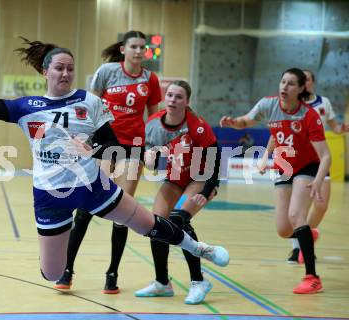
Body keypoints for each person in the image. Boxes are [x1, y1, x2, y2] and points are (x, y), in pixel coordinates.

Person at [0, 38, 227, 287]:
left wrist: (92, 149)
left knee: (149, 224)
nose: (65, 74)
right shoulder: (25, 107)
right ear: (45, 72)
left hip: (94, 186)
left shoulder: (89, 101)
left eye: (70, 69)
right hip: (50, 195)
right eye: (59, 68)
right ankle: (57, 264)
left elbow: (113, 146)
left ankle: (199, 248)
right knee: (52, 272)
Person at [55, 30, 162, 294]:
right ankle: (66, 269)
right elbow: (88, 106)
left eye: (142, 47)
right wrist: (84, 139)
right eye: (134, 47)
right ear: (124, 50)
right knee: (87, 205)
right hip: (104, 143)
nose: (139, 51)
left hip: (133, 148)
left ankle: (112, 273)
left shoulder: (151, 79)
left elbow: (154, 117)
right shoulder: (106, 71)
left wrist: (153, 148)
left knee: (123, 212)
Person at [220, 68, 331, 294]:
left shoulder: (309, 115)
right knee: (283, 229)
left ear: (301, 89)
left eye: (291, 84)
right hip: (285, 166)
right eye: (282, 82)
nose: (284, 87)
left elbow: (326, 155)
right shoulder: (268, 105)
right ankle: (306, 233)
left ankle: (312, 277)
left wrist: (318, 180)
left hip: (307, 166)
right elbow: (246, 121)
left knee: (295, 215)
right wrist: (233, 123)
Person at [134, 80, 227, 305]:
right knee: (154, 225)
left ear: (186, 102)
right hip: (175, 178)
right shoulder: (154, 123)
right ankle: (162, 283)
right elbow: (147, 154)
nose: (172, 100)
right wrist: (147, 158)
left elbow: (215, 162)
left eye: (178, 97)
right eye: (170, 96)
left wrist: (206, 192)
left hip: (200, 178)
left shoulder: (198, 126)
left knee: (178, 220)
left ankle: (198, 281)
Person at [258, 69, 349, 264]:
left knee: (321, 206)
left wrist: (343, 128)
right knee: (295, 214)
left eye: (307, 79)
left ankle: (307, 234)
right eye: (302, 79)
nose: (305, 82)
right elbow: (276, 134)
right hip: (293, 163)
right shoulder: (288, 104)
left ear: (311, 83)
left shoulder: (323, 103)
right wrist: (266, 156)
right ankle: (299, 247)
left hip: (318, 160)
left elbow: (334, 128)